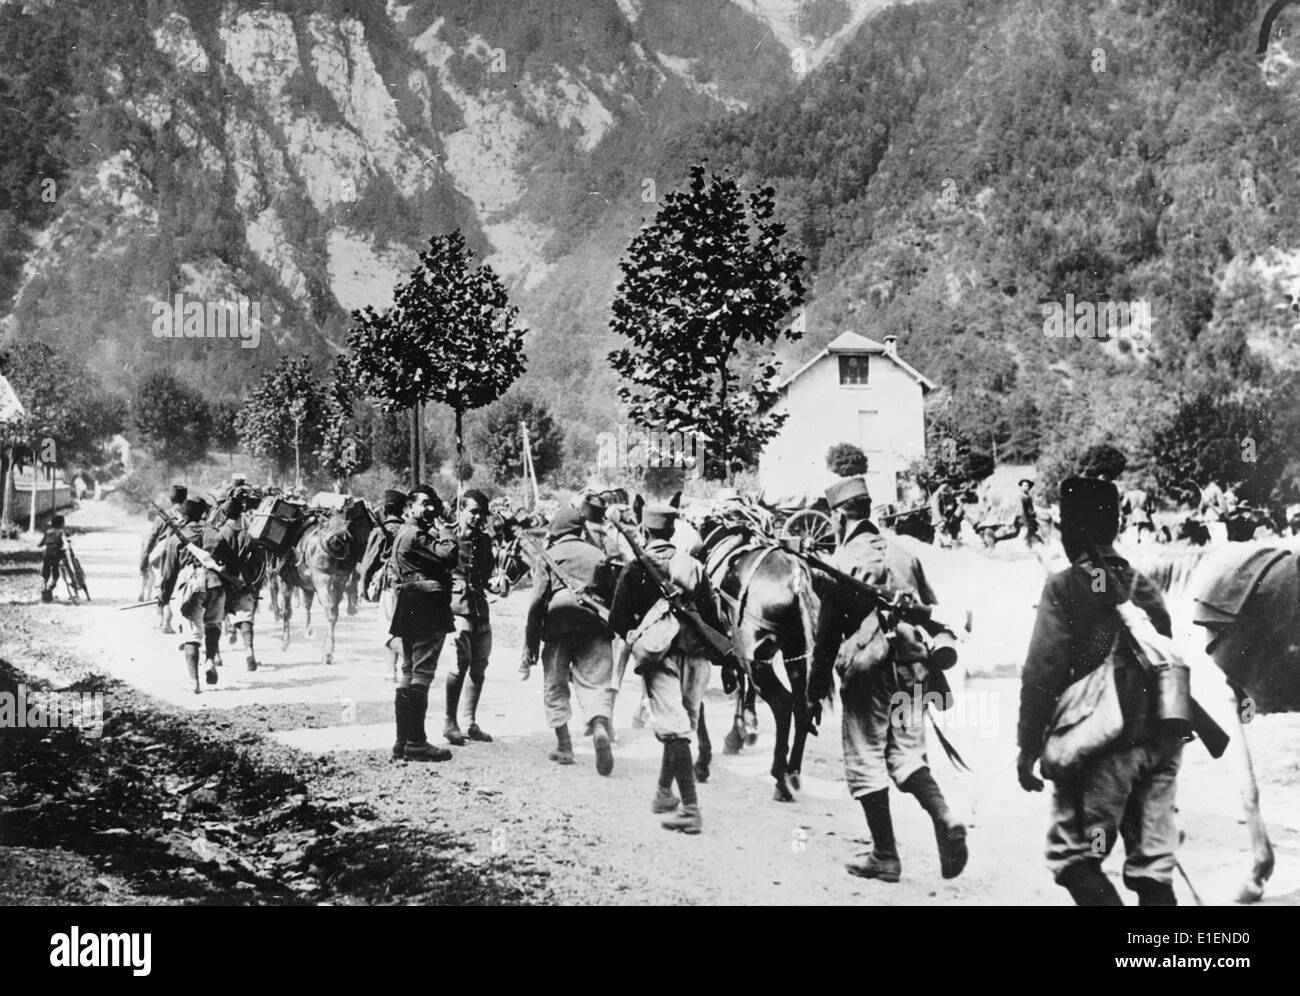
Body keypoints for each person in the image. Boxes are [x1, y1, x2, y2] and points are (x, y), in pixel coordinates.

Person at [1016, 476, 1181, 906]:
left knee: (1078, 857)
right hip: (1162, 744)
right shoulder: (1141, 585)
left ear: (1071, 529)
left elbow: (1041, 675)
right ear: (1117, 524)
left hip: (1105, 748)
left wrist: (1027, 748)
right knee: (1152, 866)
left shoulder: (1066, 586)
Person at [809, 476, 967, 883]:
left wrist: (812, 693)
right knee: (907, 755)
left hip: (870, 671)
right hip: (914, 665)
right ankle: (944, 815)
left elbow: (826, 637)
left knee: (866, 759)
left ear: (841, 517)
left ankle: (884, 855)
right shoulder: (902, 552)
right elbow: (928, 609)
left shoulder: (842, 561)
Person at [608, 503, 723, 834]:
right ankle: (662, 793)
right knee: (682, 727)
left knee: (674, 730)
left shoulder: (634, 569)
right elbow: (714, 618)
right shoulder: (694, 565)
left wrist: (634, 631)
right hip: (698, 656)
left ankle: (690, 808)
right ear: (672, 532)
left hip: (662, 656)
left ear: (645, 531)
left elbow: (617, 620)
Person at [524, 505, 617, 774]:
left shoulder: (548, 556)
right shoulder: (598, 554)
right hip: (595, 625)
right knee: (596, 684)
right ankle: (599, 727)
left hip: (557, 625)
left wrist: (531, 644)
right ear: (579, 529)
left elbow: (536, 604)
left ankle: (565, 745)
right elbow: (613, 597)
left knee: (554, 684)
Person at [388, 485, 458, 762]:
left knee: (408, 671)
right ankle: (416, 742)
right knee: (422, 672)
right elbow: (449, 556)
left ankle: (402, 741)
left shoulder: (404, 532)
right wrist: (445, 529)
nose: (430, 509)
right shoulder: (417, 534)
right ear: (410, 507)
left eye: (434, 504)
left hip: (408, 602)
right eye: (425, 504)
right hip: (426, 603)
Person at [157, 497, 235, 693]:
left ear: (184, 515)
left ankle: (194, 681)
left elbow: (169, 573)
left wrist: (164, 598)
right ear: (203, 514)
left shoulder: (177, 538)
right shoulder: (216, 534)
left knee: (191, 633)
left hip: (194, 585)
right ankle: (210, 660)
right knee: (213, 624)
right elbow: (231, 563)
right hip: (216, 584)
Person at [444, 489, 496, 745]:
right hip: (456, 608)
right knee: (458, 664)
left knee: (479, 664)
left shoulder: (484, 541)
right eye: (473, 512)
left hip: (479, 608)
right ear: (460, 511)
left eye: (481, 514)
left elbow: (487, 575)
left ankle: (469, 722)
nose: (478, 518)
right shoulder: (446, 536)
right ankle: (450, 722)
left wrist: (497, 583)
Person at [361, 489, 408, 680]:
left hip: (390, 586)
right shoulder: (410, 529)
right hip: (410, 586)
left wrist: (363, 588)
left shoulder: (380, 532)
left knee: (387, 630)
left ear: (385, 509)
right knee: (401, 629)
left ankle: (408, 661)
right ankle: (394, 670)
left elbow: (368, 563)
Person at [216, 490, 265, 671]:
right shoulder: (248, 534)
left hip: (222, 580)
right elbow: (258, 560)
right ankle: (249, 651)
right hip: (243, 580)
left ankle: (216, 656)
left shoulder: (219, 533)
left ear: (226, 514)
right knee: (245, 618)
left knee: (216, 618)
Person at [141, 484, 188, 632]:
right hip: (182, 551)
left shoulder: (161, 516)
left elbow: (151, 538)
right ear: (185, 498)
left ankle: (161, 619)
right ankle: (171, 620)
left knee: (161, 586)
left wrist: (144, 558)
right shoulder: (189, 514)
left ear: (171, 498)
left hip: (161, 554)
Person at [38, 514, 66, 602]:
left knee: (45, 573)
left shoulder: (47, 532)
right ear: (61, 524)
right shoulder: (61, 532)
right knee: (55, 574)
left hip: (46, 555)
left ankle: (43, 587)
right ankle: (50, 588)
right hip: (56, 555)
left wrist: (40, 545)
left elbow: (41, 543)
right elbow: (64, 543)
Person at [1019, 478, 1041, 547]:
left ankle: (1030, 546)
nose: (1027, 487)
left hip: (1030, 518)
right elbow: (1022, 510)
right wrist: (1027, 521)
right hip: (1027, 519)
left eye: (1028, 486)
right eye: (1025, 486)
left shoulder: (1027, 496)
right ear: (1021, 486)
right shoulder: (1022, 496)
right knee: (1029, 534)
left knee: (1031, 534)